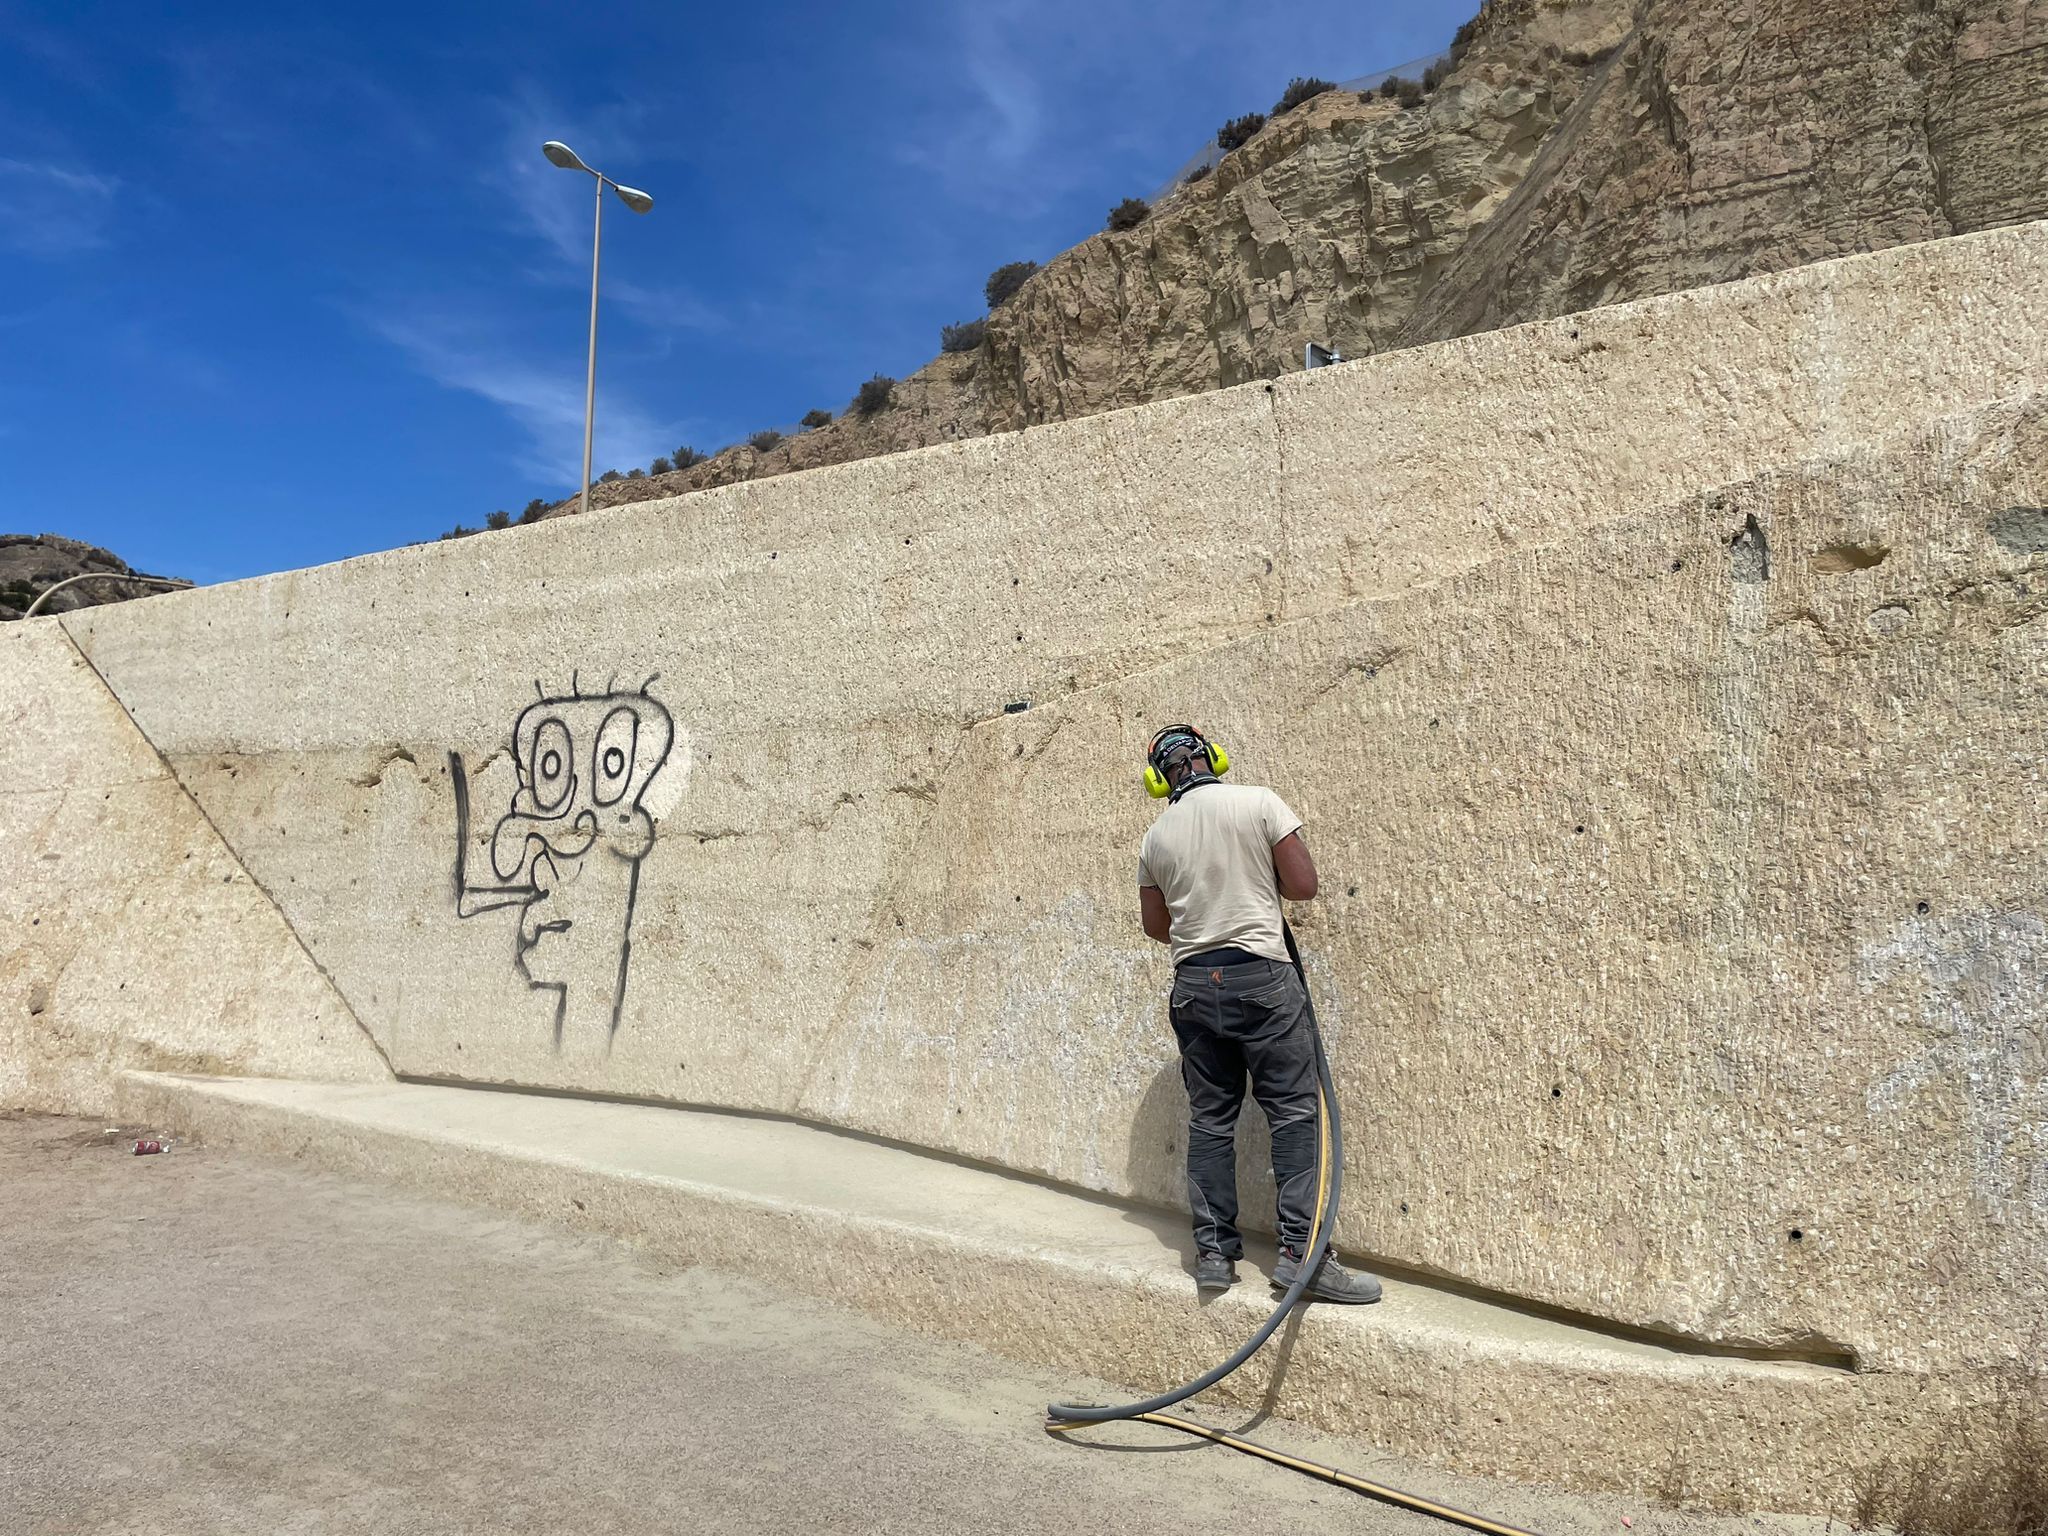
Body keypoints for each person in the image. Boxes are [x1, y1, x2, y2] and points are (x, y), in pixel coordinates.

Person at [1135, 723, 1381, 1304]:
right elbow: (1303, 886)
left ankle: (1214, 1255)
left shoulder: (1155, 837)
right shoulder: (1259, 802)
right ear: (1211, 757)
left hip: (1194, 987)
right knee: (1295, 1113)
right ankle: (1303, 1259)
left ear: (1158, 778)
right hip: (1263, 978)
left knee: (1210, 1120)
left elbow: (1155, 928)